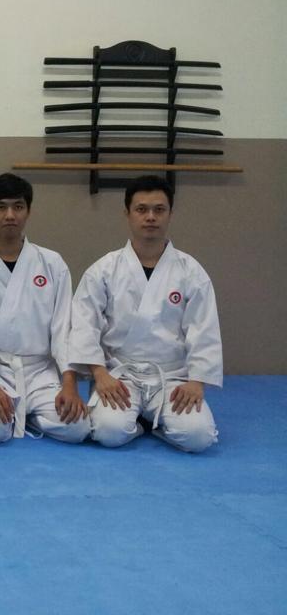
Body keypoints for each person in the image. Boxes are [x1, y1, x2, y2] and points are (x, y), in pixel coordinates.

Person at [69, 175, 222, 452]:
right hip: (120, 375)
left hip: (172, 377)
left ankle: (155, 422)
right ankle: (142, 423)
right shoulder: (104, 269)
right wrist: (100, 374)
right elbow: (84, 324)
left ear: (170, 214)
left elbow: (204, 329)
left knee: (199, 438)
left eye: (159, 209)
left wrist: (197, 382)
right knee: (108, 432)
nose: (150, 217)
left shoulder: (190, 271)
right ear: (127, 214)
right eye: (141, 209)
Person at [0, 173, 89, 443]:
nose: (10, 215)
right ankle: (18, 413)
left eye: (18, 207)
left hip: (40, 371)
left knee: (78, 428)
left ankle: (26, 414)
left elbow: (63, 329)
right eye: (1, 207)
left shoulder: (52, 263)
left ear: (28, 211)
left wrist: (69, 383)